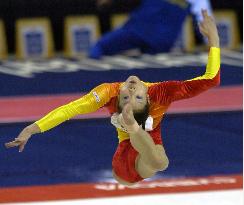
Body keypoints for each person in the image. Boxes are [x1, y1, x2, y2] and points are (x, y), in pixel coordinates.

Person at [5, 10, 220, 186]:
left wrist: (214, 40)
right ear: (146, 99)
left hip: (145, 149)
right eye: (132, 95)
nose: (131, 86)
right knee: (160, 161)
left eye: (128, 94)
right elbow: (70, 109)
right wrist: (214, 41)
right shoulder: (158, 92)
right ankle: (133, 128)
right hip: (125, 160)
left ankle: (134, 129)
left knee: (159, 161)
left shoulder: (114, 92)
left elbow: (211, 79)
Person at [89, 0, 213, 59]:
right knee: (149, 74)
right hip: (163, 40)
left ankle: (91, 86)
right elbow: (205, 19)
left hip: (138, 30)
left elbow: (204, 18)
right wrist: (212, 46)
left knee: (100, 46)